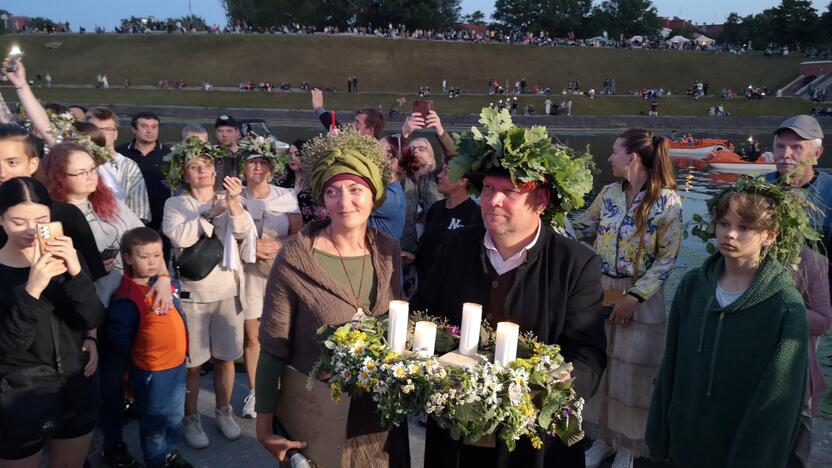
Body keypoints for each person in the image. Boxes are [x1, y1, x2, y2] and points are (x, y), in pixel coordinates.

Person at [412, 108, 606, 468]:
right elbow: (421, 314)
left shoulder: (576, 264)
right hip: (456, 438)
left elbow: (588, 356)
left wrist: (555, 386)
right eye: (487, 189)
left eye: (509, 192)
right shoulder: (456, 247)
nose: (493, 200)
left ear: (542, 201)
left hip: (535, 443)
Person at [256, 127, 410, 466]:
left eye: (356, 190)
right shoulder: (296, 258)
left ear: (374, 196)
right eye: (332, 192)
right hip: (317, 419)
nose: (344, 202)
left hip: (378, 421)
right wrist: (264, 426)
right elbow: (272, 346)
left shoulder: (388, 252)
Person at [645, 180, 810, 468]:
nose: (730, 234)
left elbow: (781, 398)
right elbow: (671, 361)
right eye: (723, 223)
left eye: (744, 228)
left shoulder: (785, 304)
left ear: (769, 236)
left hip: (741, 444)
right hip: (686, 437)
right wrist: (658, 431)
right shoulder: (692, 286)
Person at [572, 130, 682, 468]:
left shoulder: (668, 202)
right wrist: (545, 214)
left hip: (642, 297)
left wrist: (634, 297)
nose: (610, 158)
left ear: (632, 157)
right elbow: (580, 227)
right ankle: (603, 438)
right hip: (602, 289)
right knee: (602, 365)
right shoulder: (607, 194)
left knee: (634, 374)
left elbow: (667, 258)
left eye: (615, 152)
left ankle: (628, 447)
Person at [0, 177, 105, 467]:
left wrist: (75, 274)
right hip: (20, 394)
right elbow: (8, 347)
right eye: (18, 221)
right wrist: (33, 290)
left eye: (42, 219)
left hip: (76, 382)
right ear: (1, 219)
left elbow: (93, 316)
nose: (31, 230)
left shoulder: (68, 257)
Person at [162, 137, 255, 449]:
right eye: (194, 167)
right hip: (194, 294)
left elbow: (243, 233)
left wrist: (231, 204)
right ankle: (191, 418)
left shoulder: (229, 198)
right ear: (184, 174)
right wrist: (208, 213)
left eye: (207, 166)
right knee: (192, 364)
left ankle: (224, 410)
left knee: (226, 358)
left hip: (229, 289)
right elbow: (179, 238)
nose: (202, 171)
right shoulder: (175, 203)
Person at [764, 115, 832, 465]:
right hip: (758, 299)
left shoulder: (830, 192)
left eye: (796, 147)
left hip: (808, 303)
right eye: (780, 145)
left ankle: (796, 456)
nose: (786, 154)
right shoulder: (760, 189)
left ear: (816, 153)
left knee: (798, 379)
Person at [102, 227, 191, 468]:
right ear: (127, 258)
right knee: (154, 423)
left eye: (157, 255)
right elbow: (120, 342)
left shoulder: (165, 282)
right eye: (144, 257)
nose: (153, 262)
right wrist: (131, 374)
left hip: (177, 365)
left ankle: (171, 452)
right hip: (152, 371)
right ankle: (156, 460)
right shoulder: (126, 298)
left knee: (174, 416)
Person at [238, 136, 301, 419]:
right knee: (253, 337)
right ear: (244, 167)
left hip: (280, 272)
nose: (258, 168)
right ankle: (256, 391)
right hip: (248, 272)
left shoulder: (285, 196)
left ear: (272, 169)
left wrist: (278, 244)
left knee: (280, 333)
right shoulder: (235, 196)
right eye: (253, 162)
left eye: (264, 162)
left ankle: (284, 389)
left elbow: (299, 234)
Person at [41, 142, 146, 306]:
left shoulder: (112, 202)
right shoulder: (51, 215)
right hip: (88, 305)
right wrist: (91, 268)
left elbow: (145, 239)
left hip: (126, 298)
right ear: (59, 177)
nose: (90, 176)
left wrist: (162, 277)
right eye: (80, 173)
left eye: (92, 169)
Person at [413, 159, 481, 287]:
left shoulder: (475, 216)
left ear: (463, 181)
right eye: (440, 171)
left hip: (453, 290)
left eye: (446, 172)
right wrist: (414, 257)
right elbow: (428, 248)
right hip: (426, 287)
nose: (439, 175)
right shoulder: (436, 209)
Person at [85, 107, 151, 223]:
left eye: (108, 129)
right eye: (96, 129)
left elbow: (139, 211)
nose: (102, 133)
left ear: (116, 134)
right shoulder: (72, 162)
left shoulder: (128, 166)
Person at [116, 112, 172, 231]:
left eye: (154, 127)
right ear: (133, 129)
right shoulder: (120, 153)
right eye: (144, 126)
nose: (149, 131)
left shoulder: (170, 155)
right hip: (127, 217)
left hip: (161, 220)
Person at [276, 139, 328, 224]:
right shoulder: (281, 182)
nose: (292, 158)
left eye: (297, 154)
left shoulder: (315, 181)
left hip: (311, 230)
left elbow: (324, 211)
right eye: (290, 154)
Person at [370, 135, 407, 239]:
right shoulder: (383, 187)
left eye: (377, 151)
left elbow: (351, 202)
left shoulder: (391, 197)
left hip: (381, 254)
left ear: (392, 163)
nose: (370, 153)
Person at [311, 88, 385, 139]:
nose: (352, 125)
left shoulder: (372, 154)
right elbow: (337, 127)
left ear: (370, 130)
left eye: (357, 122)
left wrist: (334, 143)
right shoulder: (353, 141)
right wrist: (319, 108)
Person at [214, 114, 243, 183]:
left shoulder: (246, 153)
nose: (225, 135)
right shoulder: (211, 154)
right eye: (220, 131)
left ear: (237, 132)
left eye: (229, 131)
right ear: (215, 133)